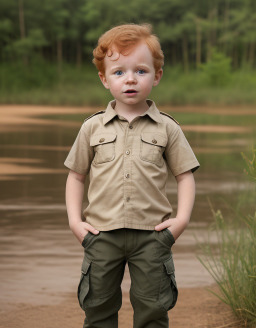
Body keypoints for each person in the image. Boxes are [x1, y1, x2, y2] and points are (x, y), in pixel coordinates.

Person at [64, 23, 199, 328]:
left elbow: (185, 176)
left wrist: (181, 220)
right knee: (97, 308)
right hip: (101, 234)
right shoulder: (92, 128)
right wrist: (75, 222)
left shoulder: (167, 128)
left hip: (152, 236)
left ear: (157, 76)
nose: (130, 79)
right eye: (119, 72)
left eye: (141, 71)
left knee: (153, 310)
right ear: (104, 79)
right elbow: (76, 176)